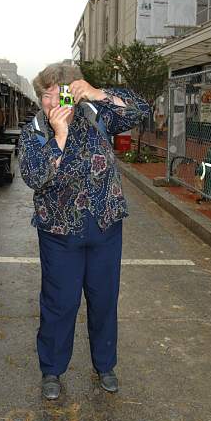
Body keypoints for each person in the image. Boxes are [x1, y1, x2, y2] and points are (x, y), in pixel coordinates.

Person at [19, 62, 149, 400]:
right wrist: (59, 139)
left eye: (59, 94)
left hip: (104, 224)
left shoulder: (96, 114)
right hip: (60, 232)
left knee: (104, 300)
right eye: (45, 96)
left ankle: (105, 365)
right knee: (59, 304)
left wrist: (98, 93)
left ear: (73, 94)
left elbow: (139, 111)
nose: (52, 103)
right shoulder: (36, 130)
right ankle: (52, 370)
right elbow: (34, 177)